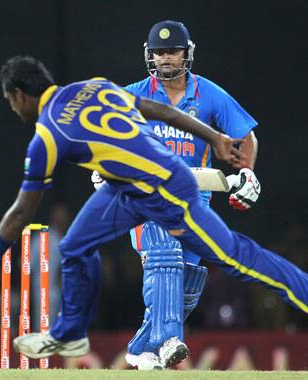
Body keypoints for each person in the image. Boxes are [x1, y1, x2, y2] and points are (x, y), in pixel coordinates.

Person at [0, 56, 308, 364]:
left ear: (19, 95)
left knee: (235, 257)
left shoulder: (46, 136)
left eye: (10, 101)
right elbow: (157, 109)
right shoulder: (93, 85)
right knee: (74, 247)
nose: (13, 109)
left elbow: (21, 211)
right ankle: (70, 336)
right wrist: (214, 139)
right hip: (125, 192)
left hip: (166, 190)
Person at [91, 20, 261, 369]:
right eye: (159, 52)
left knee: (189, 278)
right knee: (164, 250)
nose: (166, 58)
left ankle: (141, 348)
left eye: (172, 51)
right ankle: (169, 338)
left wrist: (246, 172)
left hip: (195, 203)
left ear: (187, 53)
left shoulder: (209, 94)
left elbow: (244, 137)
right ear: (149, 55)